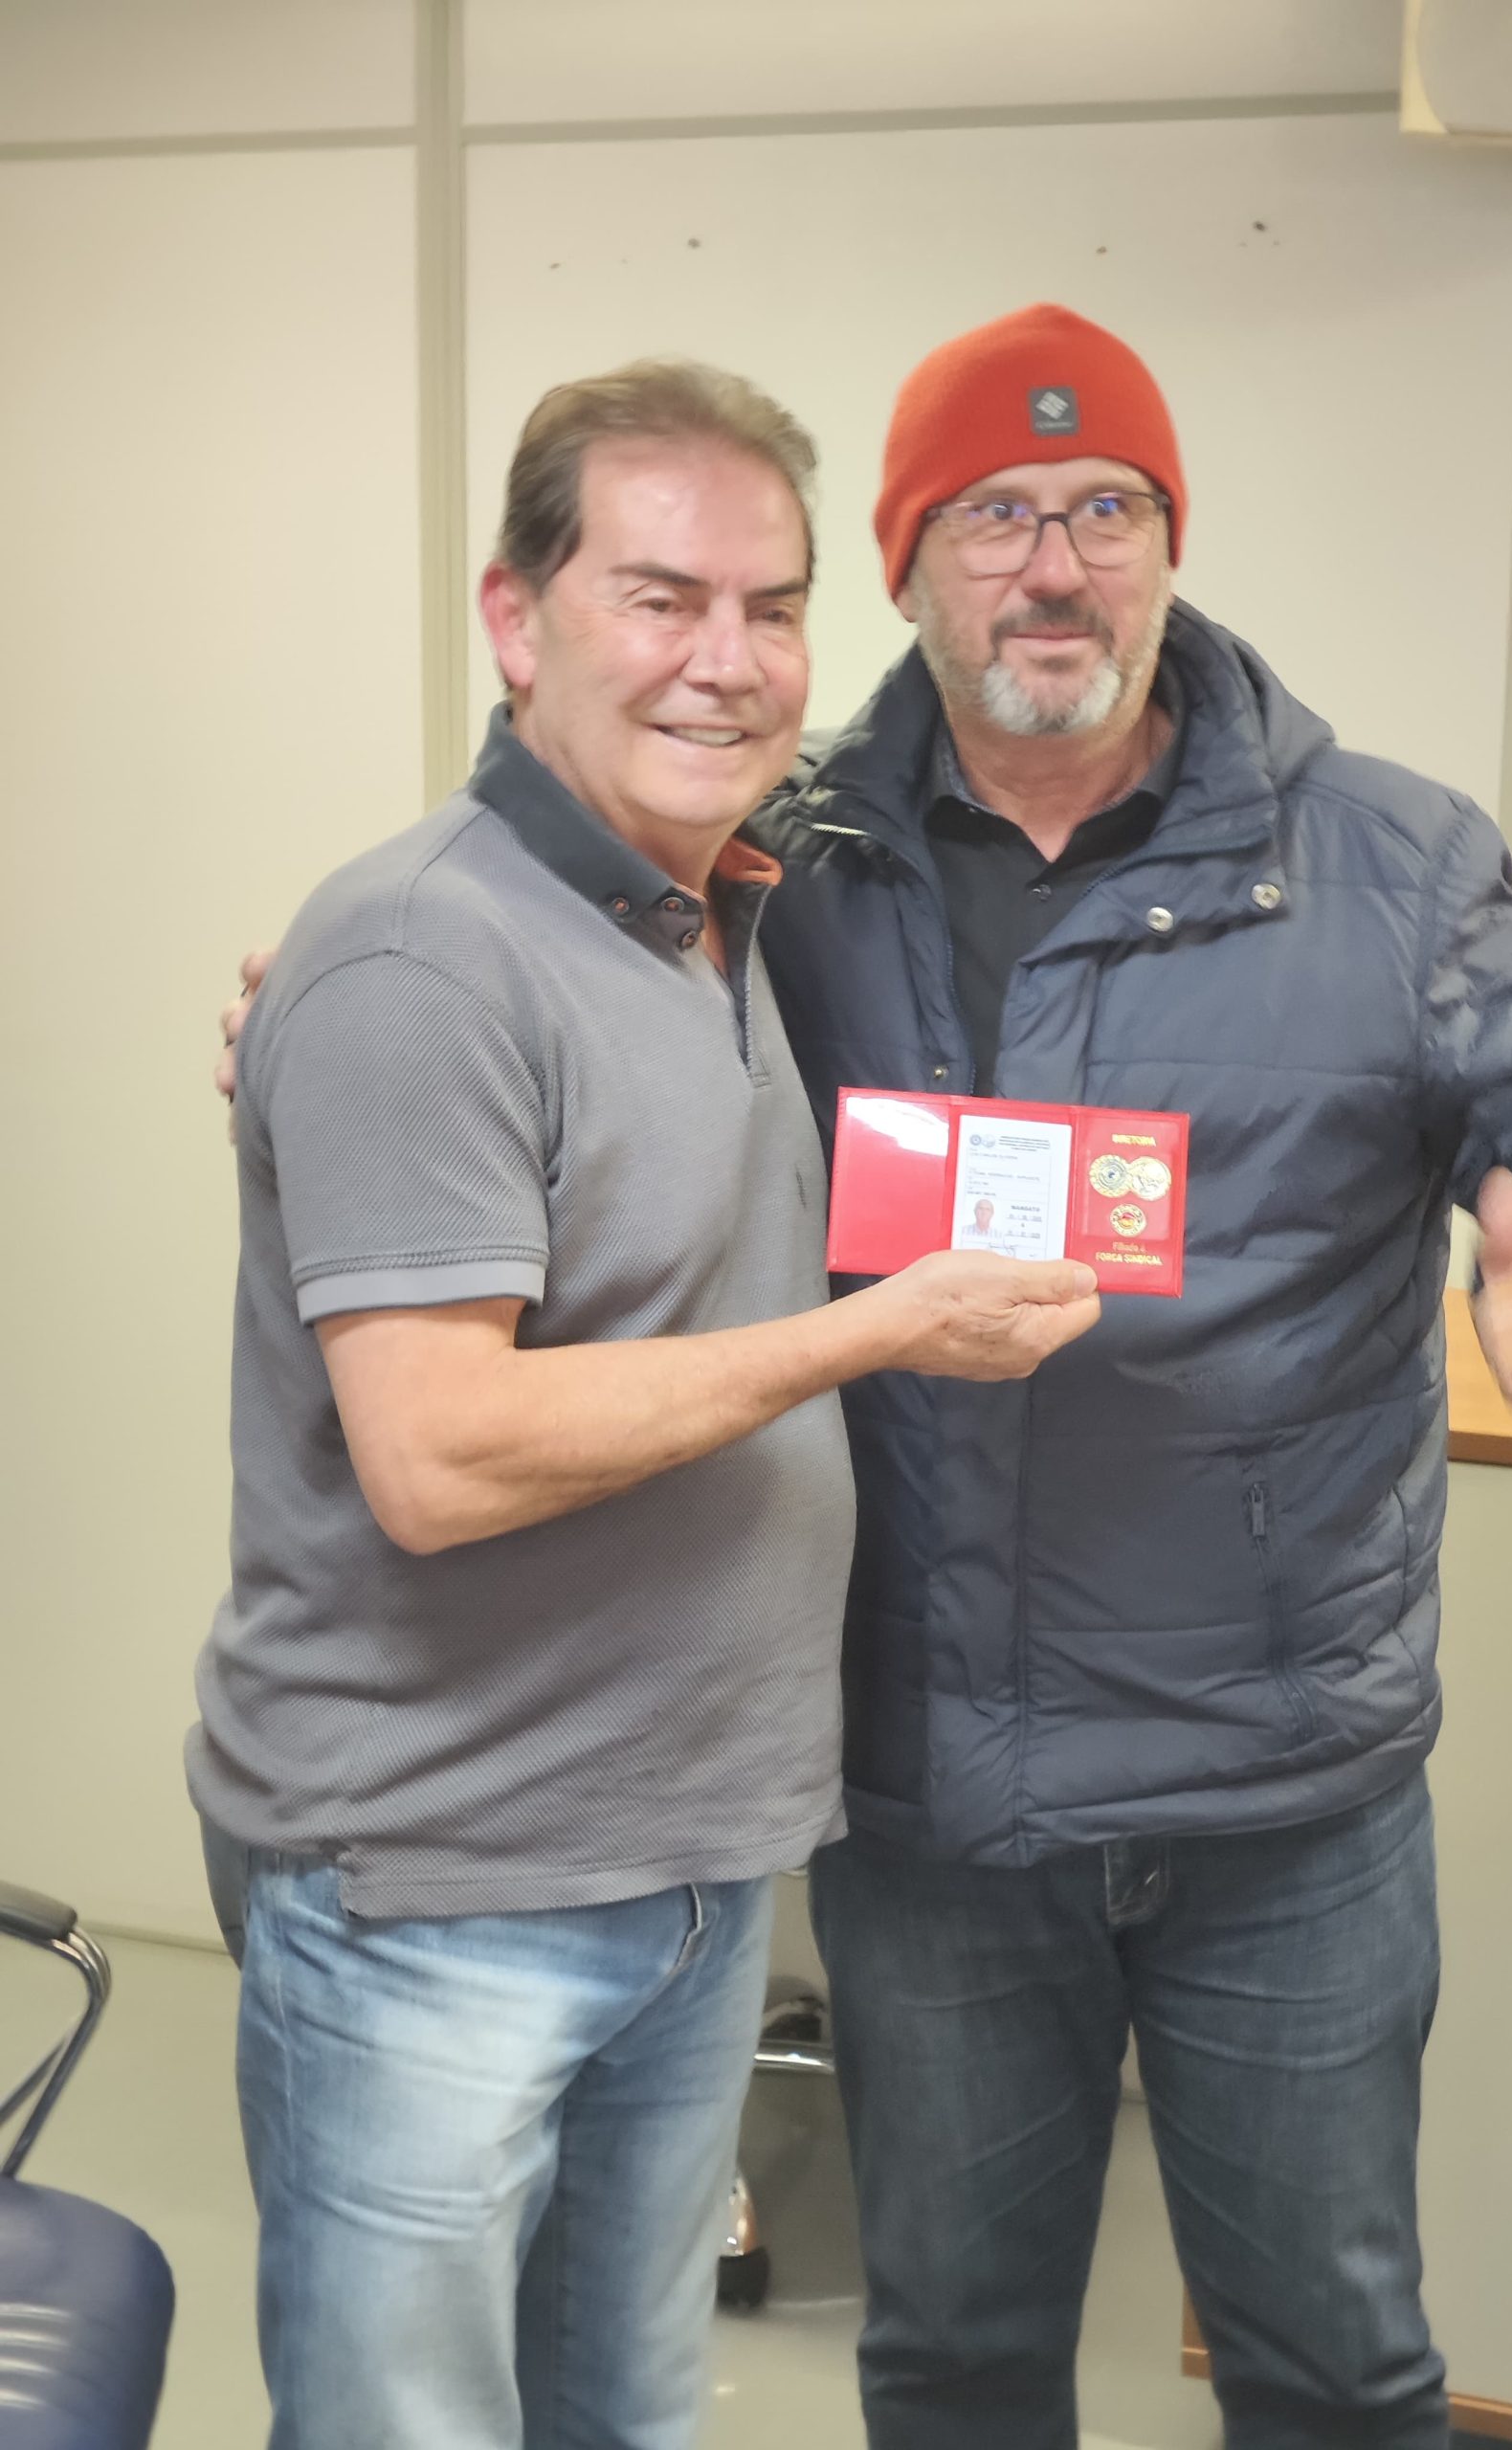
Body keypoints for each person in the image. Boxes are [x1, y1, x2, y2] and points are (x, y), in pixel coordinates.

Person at [221, 307, 1512, 2450]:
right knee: (948, 2362)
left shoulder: (1384, 863)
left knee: (1335, 2358)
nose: (1055, 566)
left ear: (1167, 550)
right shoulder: (789, 862)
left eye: (1107, 511)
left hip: (1279, 1790)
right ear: (911, 570)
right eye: (995, 516)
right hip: (929, 1798)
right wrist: (318, 998)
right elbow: (524, 964)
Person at [189, 357, 1098, 2450]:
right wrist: (870, 1332)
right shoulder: (423, 957)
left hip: (686, 1863)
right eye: (659, 596)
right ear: (517, 619)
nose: (728, 659)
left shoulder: (717, 910)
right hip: (442, 1885)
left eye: (773, 607)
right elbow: (437, 1455)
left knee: (620, 2416)